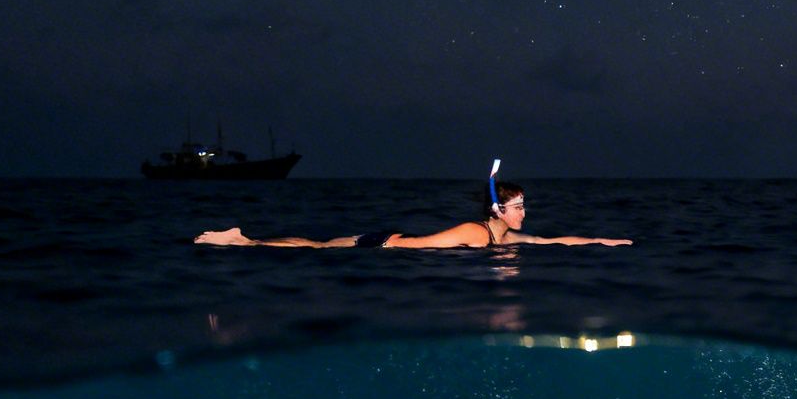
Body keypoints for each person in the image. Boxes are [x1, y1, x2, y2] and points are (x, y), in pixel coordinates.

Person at [194, 181, 628, 247]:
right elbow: (422, 246)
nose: (524, 214)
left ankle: (245, 239)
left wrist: (601, 241)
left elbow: (552, 242)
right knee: (317, 247)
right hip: (385, 245)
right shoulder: (476, 233)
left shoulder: (503, 238)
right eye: (517, 207)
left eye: (524, 207)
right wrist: (388, 246)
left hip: (389, 241)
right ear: (499, 209)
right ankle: (243, 241)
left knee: (320, 246)